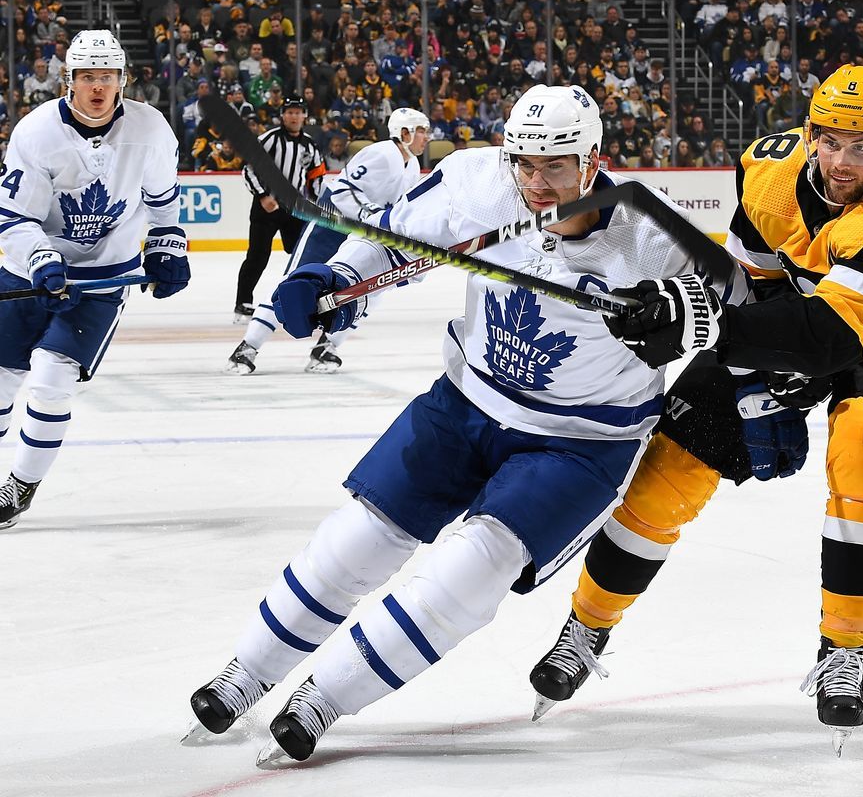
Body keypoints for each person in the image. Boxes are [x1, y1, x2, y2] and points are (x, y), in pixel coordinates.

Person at [184, 84, 722, 765]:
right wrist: (332, 280)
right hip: (466, 401)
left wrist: (682, 312)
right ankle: (247, 673)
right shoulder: (476, 183)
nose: (535, 182)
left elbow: (734, 304)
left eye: (554, 166)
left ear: (592, 161)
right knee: (358, 538)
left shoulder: (650, 231)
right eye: (523, 163)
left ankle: (325, 697)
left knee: (473, 571)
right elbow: (394, 240)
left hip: (580, 442)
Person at [526, 65, 863, 755]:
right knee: (671, 464)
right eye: (830, 140)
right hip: (788, 318)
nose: (842, 161)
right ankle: (586, 626)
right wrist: (747, 380)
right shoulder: (767, 171)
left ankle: (845, 646)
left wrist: (704, 327)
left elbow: (832, 338)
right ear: (809, 132)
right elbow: (750, 289)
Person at [0, 31, 190, 527]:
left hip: (100, 282)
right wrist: (42, 258)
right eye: (87, 76)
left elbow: (163, 202)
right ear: (69, 80)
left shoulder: (151, 130)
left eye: (106, 76)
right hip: (28, 274)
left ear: (122, 80)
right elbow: (12, 217)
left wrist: (168, 245)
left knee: (52, 379)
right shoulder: (36, 132)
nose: (98, 86)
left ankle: (20, 485)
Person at [225, 108, 430, 375]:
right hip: (331, 225)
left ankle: (326, 348)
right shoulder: (381, 153)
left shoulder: (412, 166)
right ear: (405, 133)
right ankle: (247, 348)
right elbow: (343, 190)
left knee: (369, 291)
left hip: (363, 234)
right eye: (422, 130)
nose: (427, 137)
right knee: (295, 284)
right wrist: (373, 215)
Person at [235, 99, 326, 321]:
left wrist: (317, 203)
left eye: (298, 112)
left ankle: (306, 299)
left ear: (305, 116)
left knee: (305, 254)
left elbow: (316, 176)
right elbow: (249, 170)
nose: (294, 117)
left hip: (294, 209)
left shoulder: (310, 145)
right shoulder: (269, 139)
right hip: (266, 208)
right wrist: (263, 195)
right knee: (258, 256)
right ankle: (243, 304)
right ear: (282, 116)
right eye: (290, 112)